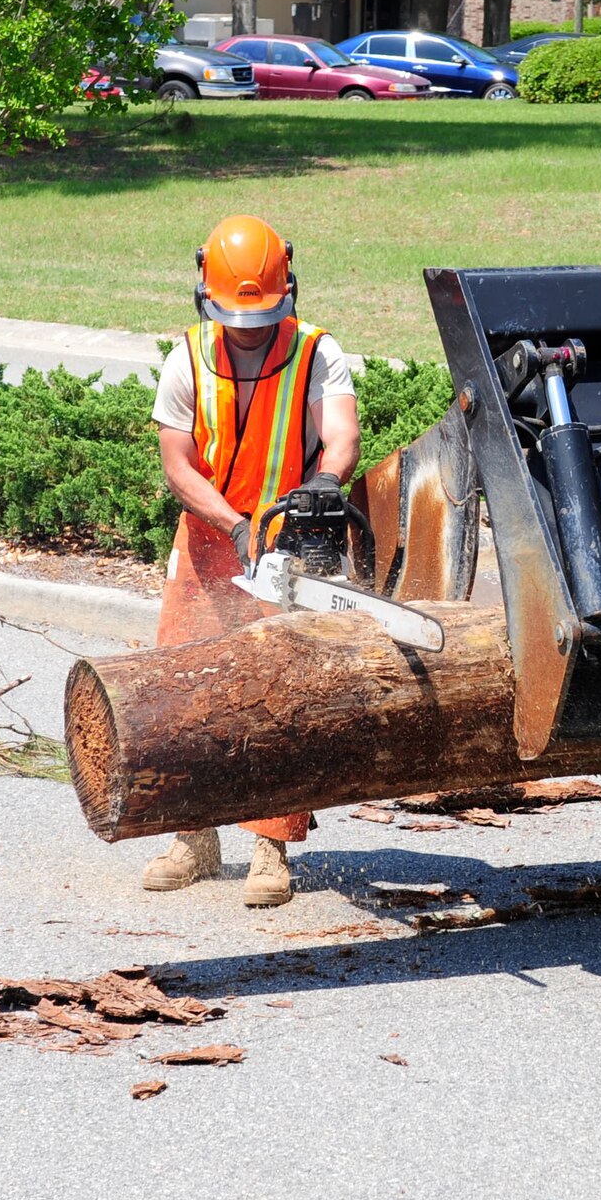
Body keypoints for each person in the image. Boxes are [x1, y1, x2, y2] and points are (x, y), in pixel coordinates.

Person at [140, 214, 360, 907]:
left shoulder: (317, 353)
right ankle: (192, 836)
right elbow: (178, 465)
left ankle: (271, 844)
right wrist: (235, 525)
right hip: (211, 535)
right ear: (205, 292)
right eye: (237, 317)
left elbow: (343, 432)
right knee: (186, 680)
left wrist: (325, 483)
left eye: (261, 315)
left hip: (291, 537)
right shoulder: (188, 357)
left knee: (283, 690)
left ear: (285, 291)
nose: (249, 328)